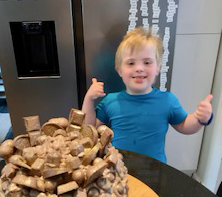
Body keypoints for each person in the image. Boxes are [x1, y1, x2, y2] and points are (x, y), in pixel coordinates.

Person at [81, 27, 213, 163]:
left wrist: (200, 118)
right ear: (119, 70)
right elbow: (89, 129)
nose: (139, 68)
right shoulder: (110, 101)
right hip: (117, 169)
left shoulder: (167, 101)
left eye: (147, 62)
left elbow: (185, 126)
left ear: (158, 68)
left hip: (154, 170)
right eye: (131, 63)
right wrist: (89, 99)